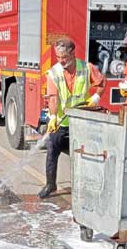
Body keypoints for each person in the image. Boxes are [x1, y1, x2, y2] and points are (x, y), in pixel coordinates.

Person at [38, 37, 106, 199]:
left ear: (73, 53)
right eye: (58, 57)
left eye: (64, 57)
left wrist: (96, 97)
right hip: (61, 121)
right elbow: (53, 98)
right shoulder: (54, 73)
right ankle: (50, 184)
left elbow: (102, 83)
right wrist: (53, 117)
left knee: (85, 153)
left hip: (81, 121)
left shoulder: (87, 68)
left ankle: (87, 185)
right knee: (52, 151)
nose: (61, 61)